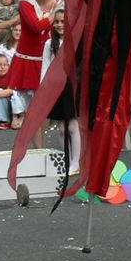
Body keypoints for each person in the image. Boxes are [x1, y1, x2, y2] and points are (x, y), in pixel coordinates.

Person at [6, 0, 61, 130]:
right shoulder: (25, 3)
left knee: (44, 106)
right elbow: (37, 27)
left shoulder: (57, 1)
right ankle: (36, 146)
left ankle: (41, 146)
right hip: (29, 61)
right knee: (34, 106)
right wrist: (54, 14)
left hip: (49, 58)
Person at [38, 9, 81, 171]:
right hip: (56, 89)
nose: (59, 25)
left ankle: (76, 162)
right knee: (62, 128)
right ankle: (66, 160)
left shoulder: (75, 41)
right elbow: (45, 66)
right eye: (56, 22)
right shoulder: (50, 44)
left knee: (72, 126)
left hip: (72, 87)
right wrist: (44, 88)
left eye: (63, 21)